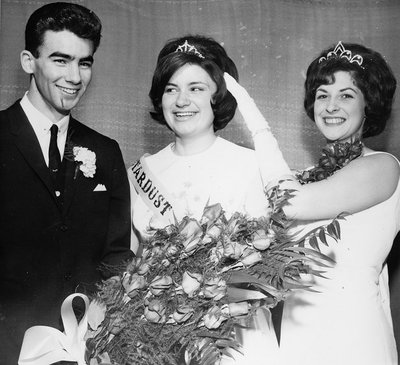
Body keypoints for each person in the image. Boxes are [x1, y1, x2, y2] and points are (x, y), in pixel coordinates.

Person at [225, 41, 399, 364]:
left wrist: (257, 126)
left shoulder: (384, 167)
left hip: (352, 337)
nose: (331, 106)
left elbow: (290, 204)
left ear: (369, 105)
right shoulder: (303, 176)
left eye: (346, 95)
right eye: (322, 95)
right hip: (294, 340)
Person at [128, 35, 289, 364]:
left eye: (196, 88)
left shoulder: (250, 165)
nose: (181, 100)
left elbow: (270, 265)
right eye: (171, 88)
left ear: (219, 96)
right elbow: (132, 264)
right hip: (157, 336)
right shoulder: (140, 173)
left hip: (233, 336)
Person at [0, 3, 133, 363]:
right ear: (29, 61)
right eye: (60, 60)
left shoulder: (105, 151)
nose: (75, 76)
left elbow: (118, 254)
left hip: (87, 347)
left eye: (84, 62)